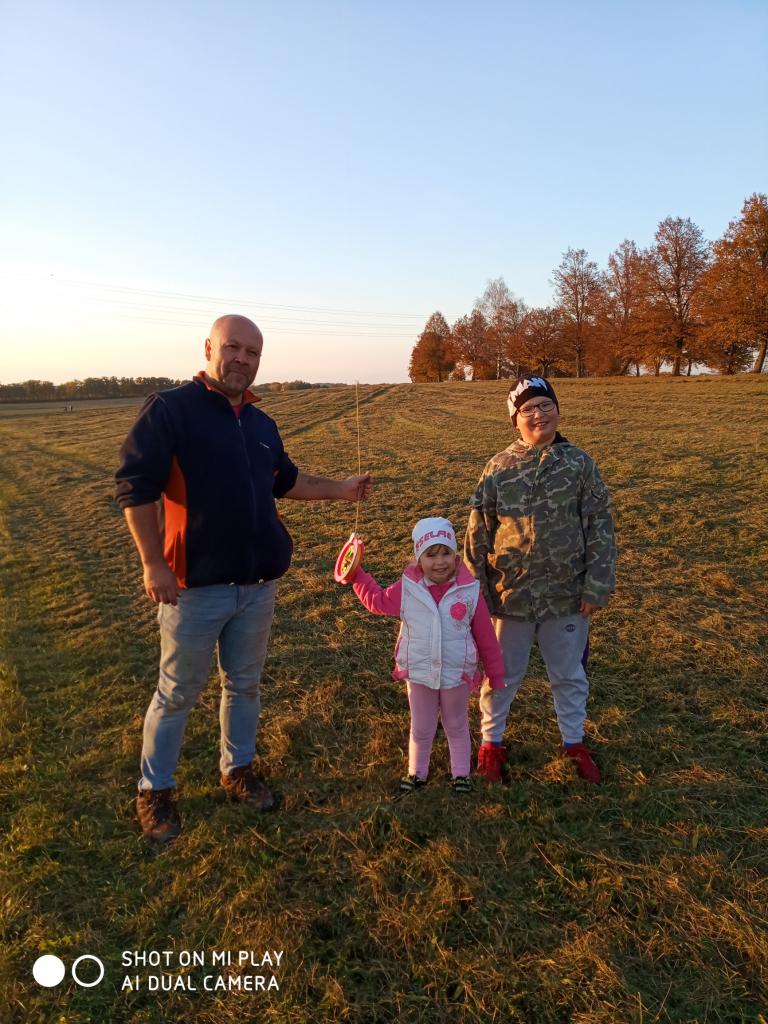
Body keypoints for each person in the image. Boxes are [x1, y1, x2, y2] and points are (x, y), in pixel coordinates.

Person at [115, 314, 372, 843]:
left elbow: (288, 481)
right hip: (193, 590)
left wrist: (343, 489)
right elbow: (135, 488)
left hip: (257, 588)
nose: (242, 359)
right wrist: (153, 563)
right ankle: (155, 790)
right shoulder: (171, 410)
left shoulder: (260, 424)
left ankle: (238, 770)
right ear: (209, 348)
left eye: (252, 352)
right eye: (233, 347)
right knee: (177, 692)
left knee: (244, 684)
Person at [464, 377, 616, 784]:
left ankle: (574, 742)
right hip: (508, 596)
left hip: (567, 596)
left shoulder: (580, 464)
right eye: (528, 409)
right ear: (515, 419)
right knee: (500, 674)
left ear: (558, 411)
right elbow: (477, 532)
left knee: (568, 674)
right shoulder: (498, 467)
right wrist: (476, 592)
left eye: (546, 405)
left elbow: (600, 525)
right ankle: (491, 742)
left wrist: (597, 584)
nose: (538, 414)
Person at [342, 517, 505, 794]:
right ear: (419, 558)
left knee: (456, 724)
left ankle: (461, 774)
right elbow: (377, 601)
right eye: (431, 555)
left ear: (455, 555)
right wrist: (356, 574)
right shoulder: (407, 588)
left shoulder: (469, 591)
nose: (439, 562)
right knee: (421, 726)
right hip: (419, 672)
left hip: (456, 673)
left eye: (445, 553)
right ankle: (417, 772)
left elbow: (486, 636)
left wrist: (495, 673)